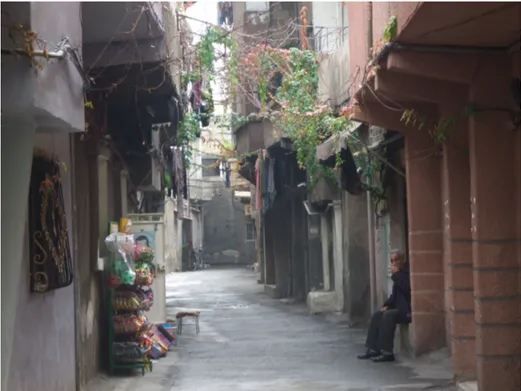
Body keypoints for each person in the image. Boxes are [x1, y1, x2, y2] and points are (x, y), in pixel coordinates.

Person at [358, 249, 411, 363]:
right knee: (378, 314)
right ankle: (372, 349)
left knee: (388, 316)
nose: (394, 263)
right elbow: (394, 296)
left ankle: (387, 352)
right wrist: (386, 305)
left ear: (403, 260)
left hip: (408, 310)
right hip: (399, 308)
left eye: (396, 260)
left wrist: (396, 275)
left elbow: (407, 288)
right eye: (392, 261)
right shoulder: (398, 275)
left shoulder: (407, 273)